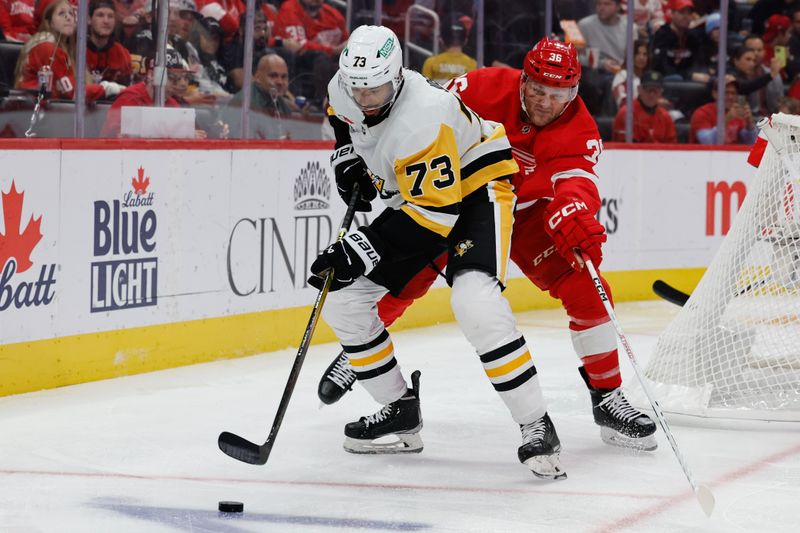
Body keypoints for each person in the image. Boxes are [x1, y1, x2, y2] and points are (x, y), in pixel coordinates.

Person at [317, 32, 657, 472]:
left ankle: (608, 396)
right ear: (522, 79)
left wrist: (574, 208)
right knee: (409, 274)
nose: (544, 102)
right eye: (536, 89)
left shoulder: (579, 126)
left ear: (573, 92)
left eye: (557, 94)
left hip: (528, 214)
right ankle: (363, 355)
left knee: (585, 287)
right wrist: (348, 152)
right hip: (454, 196)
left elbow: (577, 181)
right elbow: (384, 115)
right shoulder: (480, 86)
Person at [14, 0, 122, 100]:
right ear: (49, 22)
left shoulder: (66, 48)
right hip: (30, 112)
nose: (69, 18)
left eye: (71, 13)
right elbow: (72, 93)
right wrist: (107, 88)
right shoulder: (46, 47)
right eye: (62, 14)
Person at [100, 47, 205, 138]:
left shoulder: (172, 104)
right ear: (151, 75)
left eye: (183, 77)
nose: (181, 83)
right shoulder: (130, 98)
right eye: (172, 77)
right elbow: (114, 137)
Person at [223, 52, 299, 139]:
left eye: (284, 77)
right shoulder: (245, 103)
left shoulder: (280, 103)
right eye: (273, 76)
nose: (280, 82)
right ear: (258, 77)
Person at [690, 76, 759, 144]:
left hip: (733, 154)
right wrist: (726, 120)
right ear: (714, 94)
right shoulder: (702, 113)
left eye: (733, 93)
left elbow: (753, 143)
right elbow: (708, 142)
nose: (730, 97)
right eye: (726, 92)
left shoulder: (738, 113)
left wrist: (749, 124)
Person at [613, 70, 676, 142]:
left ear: (661, 92)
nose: (651, 94)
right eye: (647, 89)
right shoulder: (626, 114)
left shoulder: (666, 117)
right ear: (639, 89)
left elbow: (671, 147)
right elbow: (622, 147)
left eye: (655, 90)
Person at [652, 0, 701, 80]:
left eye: (689, 13)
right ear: (672, 14)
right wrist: (688, 75)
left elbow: (698, 62)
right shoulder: (662, 34)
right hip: (665, 81)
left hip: (688, 82)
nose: (686, 16)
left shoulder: (693, 37)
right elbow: (660, 66)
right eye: (682, 12)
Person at [87, 0, 132, 86]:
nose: (106, 21)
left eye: (110, 16)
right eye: (100, 15)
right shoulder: (76, 50)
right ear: (89, 19)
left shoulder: (122, 53)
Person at [421, 14, 476, 86]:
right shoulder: (473, 65)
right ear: (465, 40)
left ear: (441, 40)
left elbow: (424, 89)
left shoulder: (431, 62)